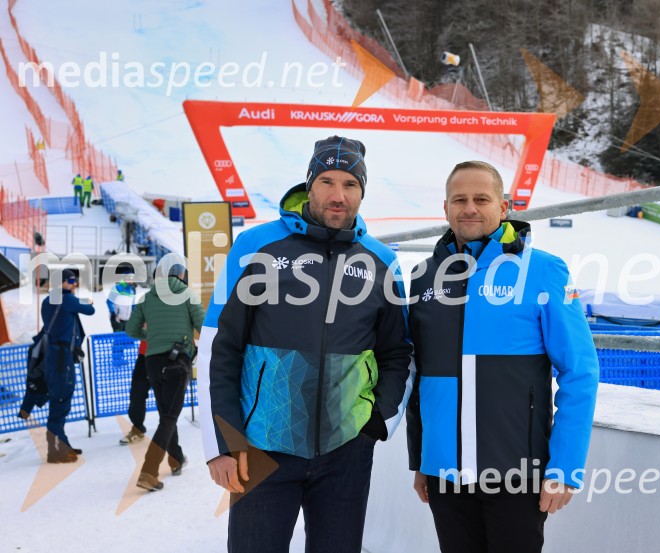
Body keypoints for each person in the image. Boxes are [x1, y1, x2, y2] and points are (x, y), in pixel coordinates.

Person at [198, 136, 412, 553]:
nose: (338, 195)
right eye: (327, 182)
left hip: (346, 451)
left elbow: (396, 351)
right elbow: (217, 349)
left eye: (350, 185)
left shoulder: (381, 261)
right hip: (261, 446)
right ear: (309, 184)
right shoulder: (255, 246)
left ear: (362, 192)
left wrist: (377, 423)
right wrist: (222, 445)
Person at [406, 161, 600, 553]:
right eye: (459, 199)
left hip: (516, 471)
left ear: (504, 206)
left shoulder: (544, 270)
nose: (470, 208)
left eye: (481, 198)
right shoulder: (425, 276)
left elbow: (580, 371)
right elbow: (421, 374)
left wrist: (565, 467)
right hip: (445, 472)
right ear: (446, 209)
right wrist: (422, 458)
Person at [126, 255, 205, 491]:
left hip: (152, 362)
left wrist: (151, 337)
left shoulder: (147, 296)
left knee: (166, 414)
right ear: (181, 273)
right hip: (176, 361)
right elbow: (202, 326)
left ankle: (176, 458)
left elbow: (131, 330)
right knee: (170, 416)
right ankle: (149, 471)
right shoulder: (187, 294)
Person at [20, 268, 95, 463]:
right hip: (62, 358)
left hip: (52, 356)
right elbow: (90, 310)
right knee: (61, 400)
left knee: (58, 399)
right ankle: (56, 451)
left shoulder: (46, 301)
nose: (74, 284)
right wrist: (85, 301)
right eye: (71, 280)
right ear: (61, 282)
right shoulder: (68, 299)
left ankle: (63, 443)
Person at [119, 340, 150, 445]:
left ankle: (169, 433)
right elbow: (133, 328)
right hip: (145, 354)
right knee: (137, 393)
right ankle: (138, 429)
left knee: (166, 396)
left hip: (167, 354)